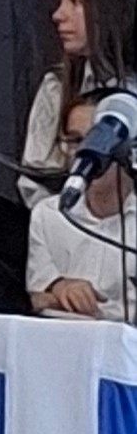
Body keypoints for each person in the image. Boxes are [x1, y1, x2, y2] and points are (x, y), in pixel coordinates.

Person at [21, 0, 137, 186]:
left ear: (110, 9)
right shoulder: (57, 88)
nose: (58, 15)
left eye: (76, 1)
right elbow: (35, 183)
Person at [29, 91, 137, 320]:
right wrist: (60, 288)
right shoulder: (48, 214)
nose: (86, 152)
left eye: (98, 140)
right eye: (76, 141)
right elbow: (36, 300)